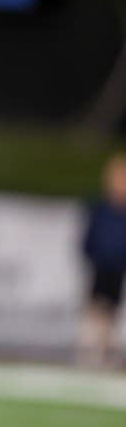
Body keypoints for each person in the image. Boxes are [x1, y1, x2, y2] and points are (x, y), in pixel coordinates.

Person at [77, 153, 126, 369]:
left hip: (118, 267)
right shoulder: (100, 208)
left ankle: (105, 352)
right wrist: (90, 253)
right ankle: (88, 352)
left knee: (111, 310)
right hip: (100, 264)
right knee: (95, 307)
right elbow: (90, 236)